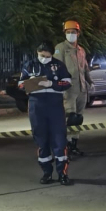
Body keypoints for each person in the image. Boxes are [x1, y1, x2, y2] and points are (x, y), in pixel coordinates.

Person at [20, 42, 73, 185]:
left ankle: (62, 173)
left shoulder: (58, 65)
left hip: (54, 106)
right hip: (36, 106)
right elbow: (20, 85)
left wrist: (51, 84)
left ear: (51, 54)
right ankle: (47, 173)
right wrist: (28, 83)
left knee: (59, 141)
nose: (43, 58)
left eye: (46, 56)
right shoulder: (29, 65)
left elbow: (68, 82)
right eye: (41, 55)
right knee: (41, 141)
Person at [54, 20, 94, 157]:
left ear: (78, 33)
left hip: (82, 89)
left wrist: (90, 82)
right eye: (68, 32)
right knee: (69, 118)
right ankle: (65, 146)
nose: (71, 34)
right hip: (68, 90)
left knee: (78, 119)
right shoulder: (60, 48)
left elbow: (85, 69)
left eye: (74, 32)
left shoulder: (81, 50)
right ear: (65, 33)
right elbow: (56, 69)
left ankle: (74, 145)